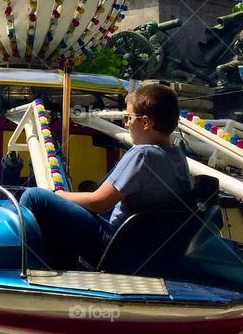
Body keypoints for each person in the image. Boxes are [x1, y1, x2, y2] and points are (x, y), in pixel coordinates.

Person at [19, 83, 192, 270]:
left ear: (145, 122)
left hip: (115, 244)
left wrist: (56, 195)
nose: (126, 124)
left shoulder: (142, 155)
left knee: (34, 197)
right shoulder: (177, 156)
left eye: (128, 118)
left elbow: (98, 202)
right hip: (144, 247)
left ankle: (32, 268)